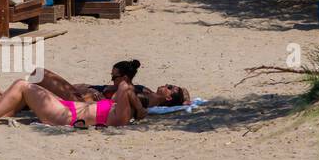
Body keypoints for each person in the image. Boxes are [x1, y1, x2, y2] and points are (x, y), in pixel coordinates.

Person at [0, 77, 146, 127]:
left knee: (22, 85)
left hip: (65, 116)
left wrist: (139, 107)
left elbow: (124, 86)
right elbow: (124, 89)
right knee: (21, 85)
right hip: (66, 109)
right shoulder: (118, 110)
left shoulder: (122, 115)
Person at [13, 62, 191, 110]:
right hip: (86, 98)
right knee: (39, 74)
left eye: (170, 87)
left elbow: (117, 103)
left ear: (168, 97)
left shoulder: (146, 101)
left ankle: (14, 100)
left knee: (40, 74)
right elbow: (186, 94)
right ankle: (14, 99)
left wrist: (96, 97)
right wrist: (185, 100)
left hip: (85, 103)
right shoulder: (146, 91)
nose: (166, 84)